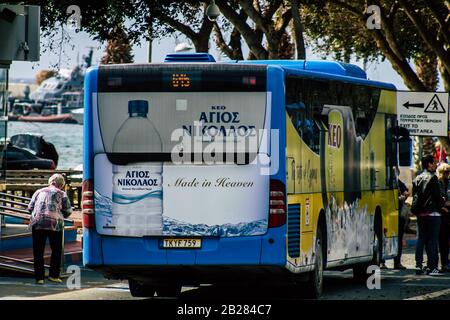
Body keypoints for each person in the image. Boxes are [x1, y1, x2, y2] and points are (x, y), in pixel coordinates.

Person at [28, 174, 72, 284]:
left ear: (50, 181)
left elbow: (30, 207)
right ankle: (54, 275)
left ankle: (39, 278)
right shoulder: (62, 193)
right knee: (56, 250)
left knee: (38, 251)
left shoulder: (38, 191)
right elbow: (68, 211)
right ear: (61, 185)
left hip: (38, 222)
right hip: (54, 223)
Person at [413, 155, 444, 276]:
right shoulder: (433, 178)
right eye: (434, 163)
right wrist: (443, 201)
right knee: (432, 240)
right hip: (433, 213)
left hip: (420, 213)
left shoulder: (417, 178)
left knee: (421, 239)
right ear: (429, 164)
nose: (436, 165)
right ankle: (432, 268)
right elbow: (437, 196)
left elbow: (416, 195)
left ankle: (418, 265)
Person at [394, 175, 409, 270]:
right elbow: (407, 193)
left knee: (399, 238)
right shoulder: (396, 181)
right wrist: (402, 197)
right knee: (399, 238)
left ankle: (383, 263)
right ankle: (397, 262)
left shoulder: (396, 181)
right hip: (396, 213)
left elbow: (407, 192)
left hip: (391, 214)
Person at [437, 163, 450, 272]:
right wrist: (444, 204)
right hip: (441, 215)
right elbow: (439, 200)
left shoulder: (449, 183)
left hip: (448, 214)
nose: (448, 174)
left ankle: (446, 262)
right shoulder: (437, 183)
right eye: (446, 172)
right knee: (443, 240)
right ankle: (444, 263)